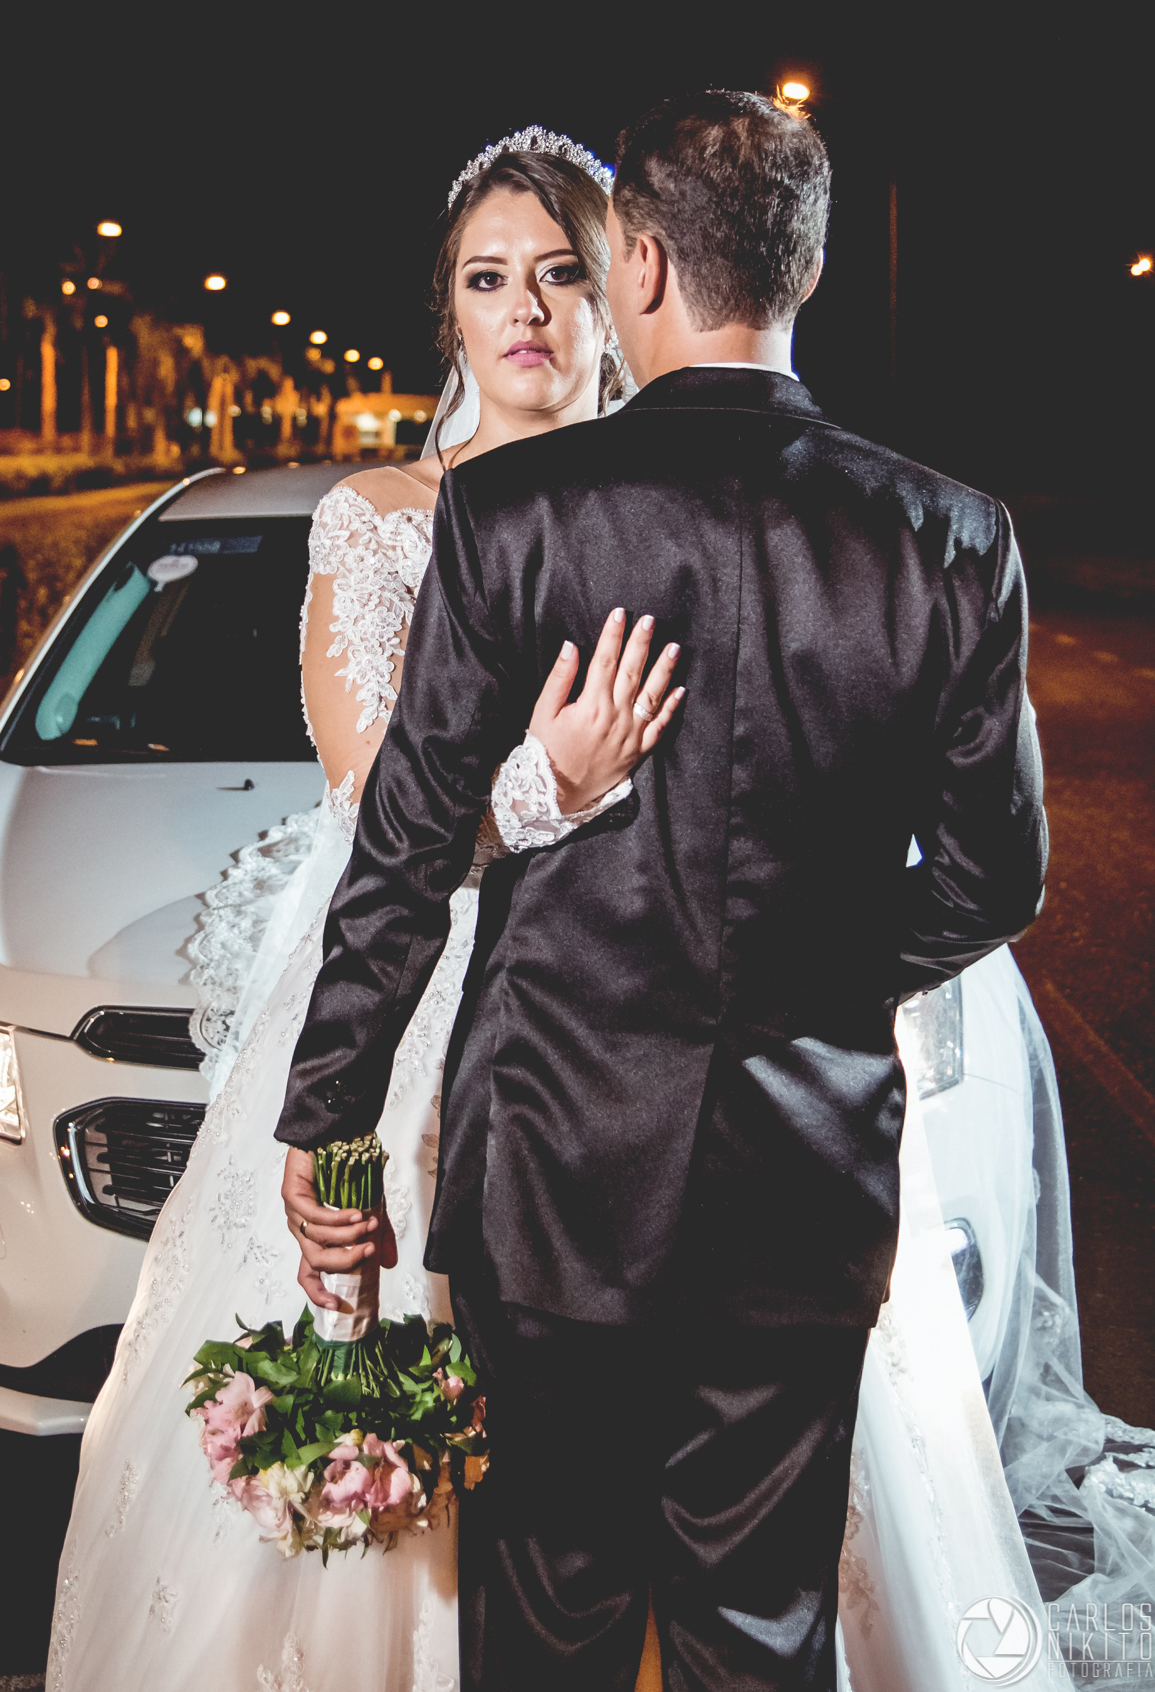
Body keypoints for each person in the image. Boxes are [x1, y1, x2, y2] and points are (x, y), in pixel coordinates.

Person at [275, 90, 1053, 1692]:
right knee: (759, 1633)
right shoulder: (954, 539)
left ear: (634, 265)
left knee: (547, 1620)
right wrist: (820, 966)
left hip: (551, 1172)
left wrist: (329, 1120)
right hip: (802, 1179)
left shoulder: (510, 515)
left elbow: (405, 853)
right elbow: (999, 876)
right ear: (807, 273)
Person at [46, 133, 682, 1692]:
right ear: (449, 318)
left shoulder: (678, 514)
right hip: (410, 1014)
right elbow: (370, 796)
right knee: (390, 1365)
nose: (523, 310)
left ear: (617, 299)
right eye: (486, 281)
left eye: (559, 275)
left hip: (635, 1031)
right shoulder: (379, 516)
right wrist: (562, 779)